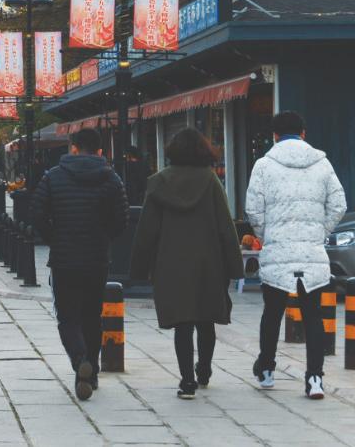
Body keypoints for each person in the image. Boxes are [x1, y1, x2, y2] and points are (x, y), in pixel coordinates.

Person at [130, 128, 243, 399]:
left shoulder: (158, 183)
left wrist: (138, 267)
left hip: (170, 263)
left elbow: (147, 230)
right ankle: (204, 370)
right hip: (208, 262)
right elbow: (225, 227)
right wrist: (235, 265)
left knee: (183, 322)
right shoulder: (211, 181)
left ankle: (187, 381)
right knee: (205, 320)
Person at [245, 111, 346, 399]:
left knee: (272, 314)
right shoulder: (322, 163)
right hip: (311, 254)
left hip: (277, 252)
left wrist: (268, 235)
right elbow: (338, 204)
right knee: (313, 316)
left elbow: (253, 210)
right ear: (303, 133)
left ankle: (267, 370)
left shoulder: (264, 165)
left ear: (274, 135)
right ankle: (315, 378)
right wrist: (319, 231)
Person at [32, 128, 127, 401]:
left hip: (64, 259)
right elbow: (121, 219)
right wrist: (103, 237)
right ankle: (91, 372)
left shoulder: (53, 176)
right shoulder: (111, 178)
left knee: (68, 317)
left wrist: (54, 237)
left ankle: (80, 360)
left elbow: (37, 212)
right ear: (99, 150)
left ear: (73, 148)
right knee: (92, 316)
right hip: (96, 258)